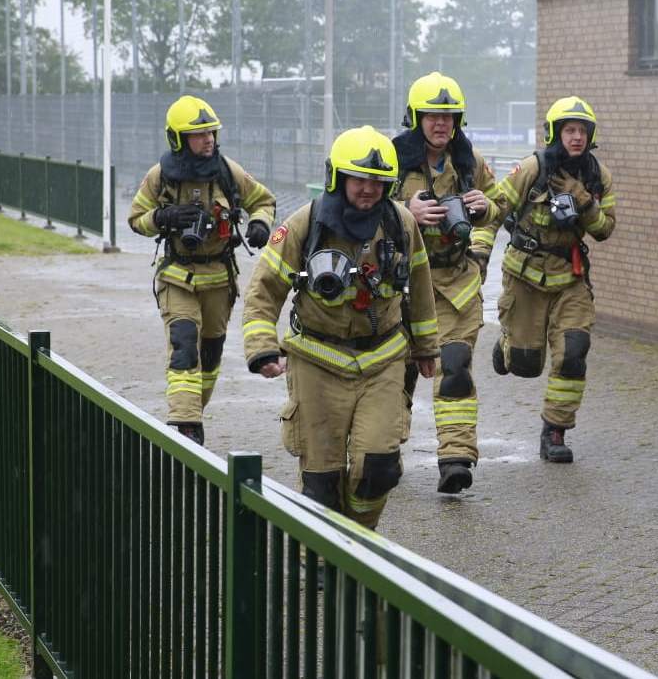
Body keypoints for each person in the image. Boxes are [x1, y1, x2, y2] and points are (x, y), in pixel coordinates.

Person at [242, 126, 439, 529]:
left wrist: (426, 347)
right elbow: (263, 290)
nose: (369, 189)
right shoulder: (304, 224)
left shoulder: (401, 224)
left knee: (379, 468)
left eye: (378, 181)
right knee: (322, 483)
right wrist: (261, 347)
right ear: (337, 177)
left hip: (382, 360)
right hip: (317, 362)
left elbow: (419, 288)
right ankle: (319, 552)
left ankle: (358, 542)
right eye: (359, 179)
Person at [128, 94, 276, 446]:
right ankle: (186, 427)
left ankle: (194, 411)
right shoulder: (160, 177)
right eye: (198, 134)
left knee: (210, 356)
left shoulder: (227, 172)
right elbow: (136, 219)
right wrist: (162, 217)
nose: (208, 139)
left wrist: (259, 224)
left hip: (219, 281)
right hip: (177, 278)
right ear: (178, 139)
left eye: (211, 132)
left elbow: (263, 201)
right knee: (183, 347)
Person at [489, 96, 617, 463]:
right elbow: (496, 207)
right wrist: (478, 251)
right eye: (569, 130)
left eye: (582, 131)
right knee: (526, 364)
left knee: (574, 352)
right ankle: (508, 344)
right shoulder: (534, 167)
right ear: (555, 133)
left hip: (570, 281)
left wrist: (584, 202)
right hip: (525, 277)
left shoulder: (599, 177)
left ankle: (555, 431)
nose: (576, 137)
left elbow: (605, 229)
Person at [392, 72, 500, 494]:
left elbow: (497, 208)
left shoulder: (470, 162)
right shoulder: (391, 160)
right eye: (432, 116)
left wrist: (485, 215)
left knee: (454, 367)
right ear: (415, 118)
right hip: (402, 289)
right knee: (398, 374)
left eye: (449, 116)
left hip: (456, 284)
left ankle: (455, 458)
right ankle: (384, 449)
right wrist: (406, 212)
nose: (441, 124)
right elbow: (359, 208)